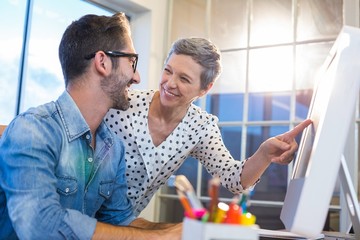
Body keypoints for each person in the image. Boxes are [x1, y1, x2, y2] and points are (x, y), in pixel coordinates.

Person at [0, 12, 181, 240]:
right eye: (132, 61)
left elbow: (121, 221)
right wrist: (158, 238)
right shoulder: (34, 131)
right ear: (102, 62)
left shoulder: (113, 148)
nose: (137, 77)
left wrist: (179, 231)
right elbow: (41, 226)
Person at [105, 37, 312, 216]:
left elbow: (233, 179)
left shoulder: (200, 127)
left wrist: (265, 154)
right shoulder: (122, 103)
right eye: (168, 71)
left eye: (184, 79)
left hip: (124, 224)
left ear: (205, 89)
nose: (170, 83)